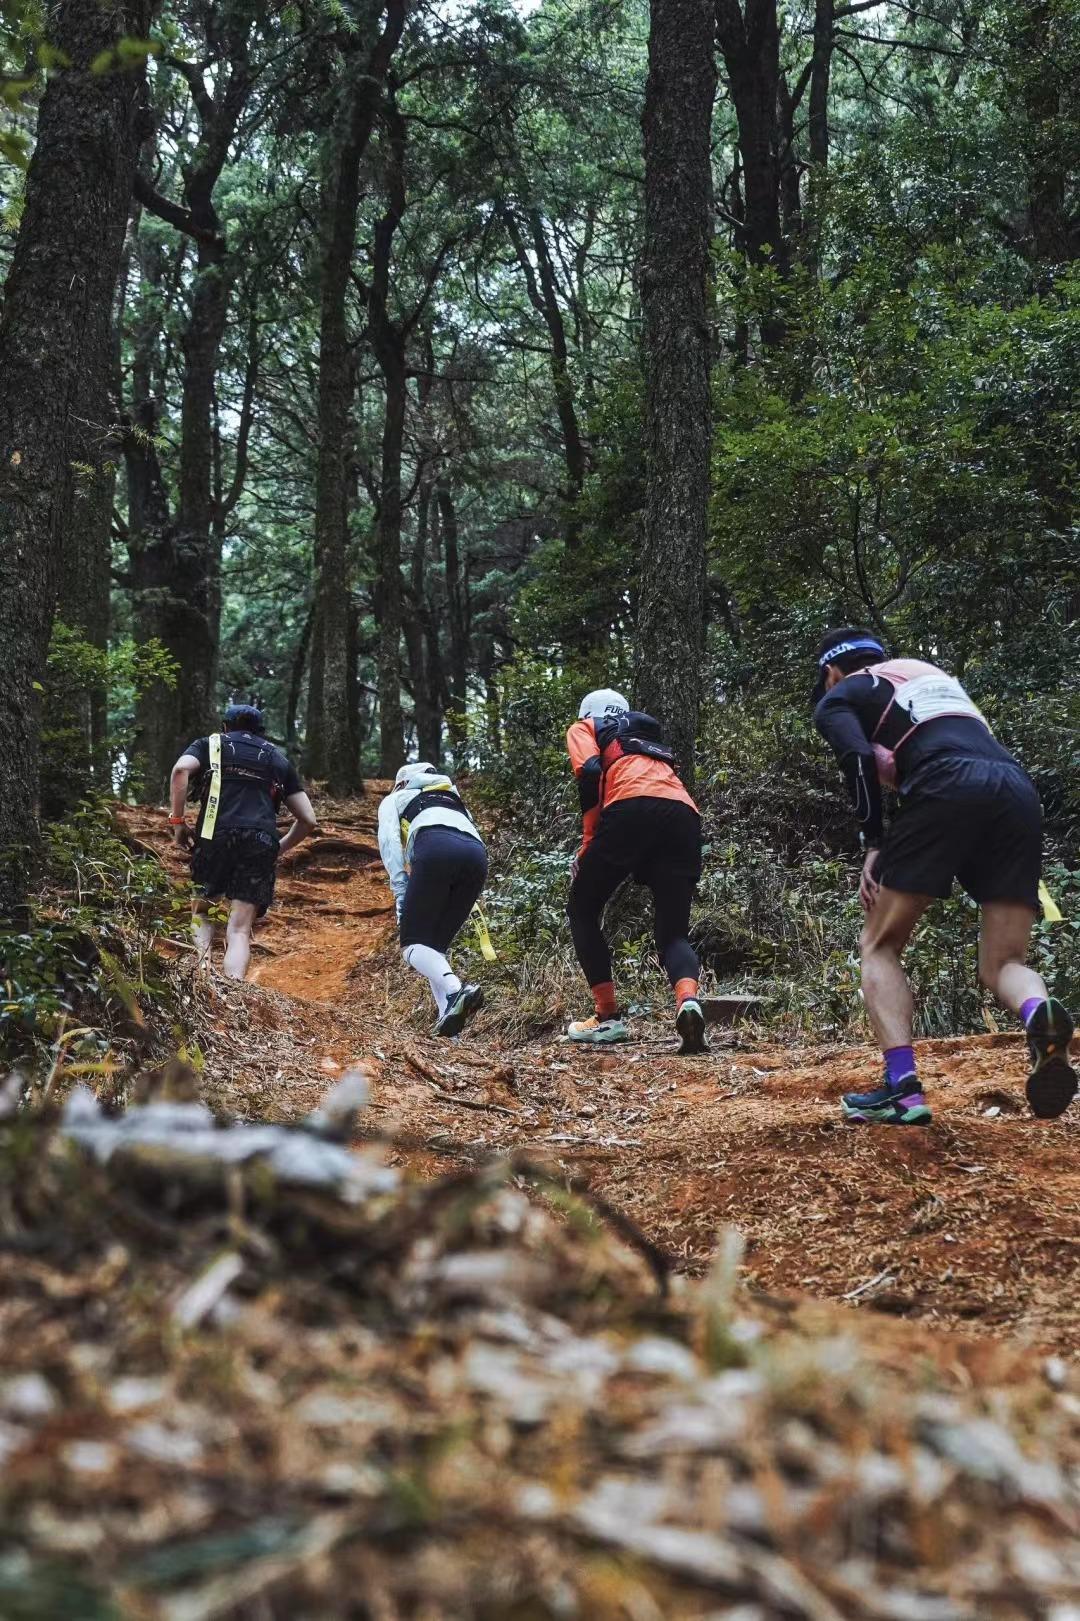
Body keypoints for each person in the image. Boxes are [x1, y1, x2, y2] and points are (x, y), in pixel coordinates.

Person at [813, 627, 1076, 1124]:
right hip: (1015, 790)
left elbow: (858, 758)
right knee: (1004, 961)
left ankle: (904, 1090)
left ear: (831, 674)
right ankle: (1039, 1013)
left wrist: (874, 844)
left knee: (880, 945)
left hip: (943, 783)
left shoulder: (841, 696)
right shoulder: (927, 677)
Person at [565, 688, 706, 1053]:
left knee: (582, 908)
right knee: (673, 932)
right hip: (683, 816)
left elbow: (590, 773)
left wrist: (587, 844)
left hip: (629, 808)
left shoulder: (586, 727)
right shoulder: (646, 738)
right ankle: (688, 1002)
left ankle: (607, 1017)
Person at [169, 703, 317, 979]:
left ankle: (203, 976)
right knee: (238, 929)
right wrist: (277, 848)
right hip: (260, 839)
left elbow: (180, 771)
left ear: (225, 727)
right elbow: (308, 819)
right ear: (261, 732)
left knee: (202, 912)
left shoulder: (210, 745)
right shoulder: (276, 758)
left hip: (215, 835)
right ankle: (234, 993)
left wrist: (177, 823)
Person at [377, 762, 487, 1036]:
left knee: (412, 946)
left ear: (401, 783)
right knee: (434, 949)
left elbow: (389, 841)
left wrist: (400, 887)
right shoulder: (452, 797)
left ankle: (454, 991)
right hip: (477, 857)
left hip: (434, 846)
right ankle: (450, 1029)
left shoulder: (396, 798)